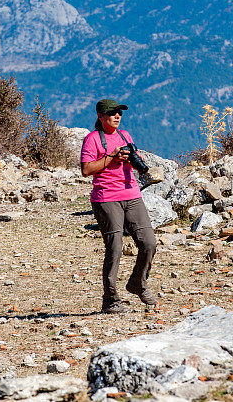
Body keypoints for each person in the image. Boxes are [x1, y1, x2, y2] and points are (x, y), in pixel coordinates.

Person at [80, 99, 158, 314]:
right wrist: (111, 157)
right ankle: (110, 300)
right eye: (111, 113)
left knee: (149, 243)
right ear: (100, 116)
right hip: (106, 199)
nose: (117, 116)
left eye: (119, 113)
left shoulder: (125, 136)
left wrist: (134, 159)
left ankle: (137, 284)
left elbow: (134, 159)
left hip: (132, 195)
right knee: (115, 248)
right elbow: (86, 170)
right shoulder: (92, 140)